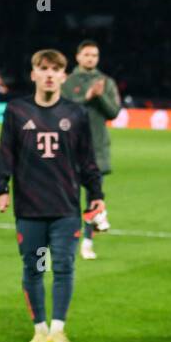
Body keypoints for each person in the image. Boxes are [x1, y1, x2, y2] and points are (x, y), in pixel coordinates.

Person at [0, 50, 104, 342]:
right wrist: (0, 188)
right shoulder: (17, 111)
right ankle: (39, 330)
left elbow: (87, 161)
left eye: (56, 69)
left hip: (66, 208)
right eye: (44, 68)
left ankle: (59, 330)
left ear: (64, 76)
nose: (50, 74)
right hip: (29, 209)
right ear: (33, 74)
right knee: (34, 268)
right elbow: (6, 153)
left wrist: (97, 196)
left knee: (65, 266)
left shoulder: (75, 114)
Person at [63, 42, 121, 260]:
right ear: (77, 57)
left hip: (96, 150)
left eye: (94, 55)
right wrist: (86, 97)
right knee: (67, 199)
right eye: (86, 54)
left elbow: (113, 112)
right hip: (69, 149)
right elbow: (62, 110)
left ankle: (87, 243)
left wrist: (99, 96)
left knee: (94, 199)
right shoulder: (67, 82)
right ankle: (65, 242)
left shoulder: (106, 82)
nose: (90, 58)